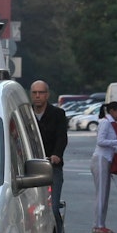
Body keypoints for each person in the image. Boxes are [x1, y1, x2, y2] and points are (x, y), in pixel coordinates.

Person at [31, 81, 69, 215]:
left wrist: (57, 154)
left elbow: (61, 137)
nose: (37, 96)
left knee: (52, 208)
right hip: (31, 167)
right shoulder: (26, 114)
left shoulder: (57, 114)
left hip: (52, 167)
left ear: (47, 95)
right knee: (32, 209)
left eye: (40, 93)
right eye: (34, 93)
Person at [90, 101, 117, 233]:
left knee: (105, 194)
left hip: (106, 159)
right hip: (100, 159)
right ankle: (98, 225)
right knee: (101, 194)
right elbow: (100, 141)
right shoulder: (105, 122)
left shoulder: (111, 124)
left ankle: (101, 224)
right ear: (112, 111)